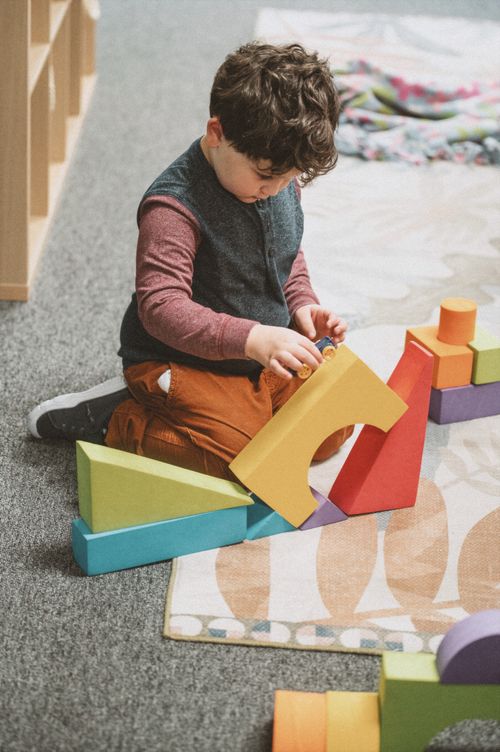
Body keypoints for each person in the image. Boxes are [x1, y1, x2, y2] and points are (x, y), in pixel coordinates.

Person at [28, 42, 353, 482]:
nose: (277, 189)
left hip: (256, 353)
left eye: (289, 178)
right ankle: (117, 417)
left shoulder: (274, 178)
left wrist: (302, 304)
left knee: (332, 425)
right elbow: (160, 308)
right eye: (265, 174)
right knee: (242, 462)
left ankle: (244, 403)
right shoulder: (173, 207)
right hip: (178, 358)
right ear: (216, 133)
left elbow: (286, 253)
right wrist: (253, 337)